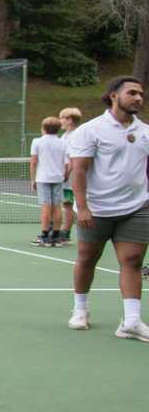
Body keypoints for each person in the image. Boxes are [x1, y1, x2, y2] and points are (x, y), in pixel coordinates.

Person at [65, 76, 148, 340]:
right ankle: (80, 310)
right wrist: (83, 207)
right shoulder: (90, 130)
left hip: (136, 208)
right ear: (113, 95)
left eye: (141, 94)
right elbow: (79, 171)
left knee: (133, 260)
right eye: (132, 93)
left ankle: (131, 322)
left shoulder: (145, 131)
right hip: (97, 209)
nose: (138, 98)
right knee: (87, 258)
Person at [29, 116, 68, 247]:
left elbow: (33, 162)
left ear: (44, 128)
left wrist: (33, 179)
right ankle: (56, 237)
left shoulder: (37, 142)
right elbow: (68, 163)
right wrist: (65, 175)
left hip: (43, 179)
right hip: (58, 178)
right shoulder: (63, 142)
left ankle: (45, 236)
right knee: (57, 206)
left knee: (46, 207)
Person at [58, 107, 83, 245]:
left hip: (74, 178)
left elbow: (73, 158)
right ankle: (65, 233)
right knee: (67, 204)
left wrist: (67, 173)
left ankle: (86, 234)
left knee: (78, 206)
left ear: (70, 120)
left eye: (62, 118)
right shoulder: (65, 135)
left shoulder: (76, 136)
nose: (60, 121)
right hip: (67, 178)